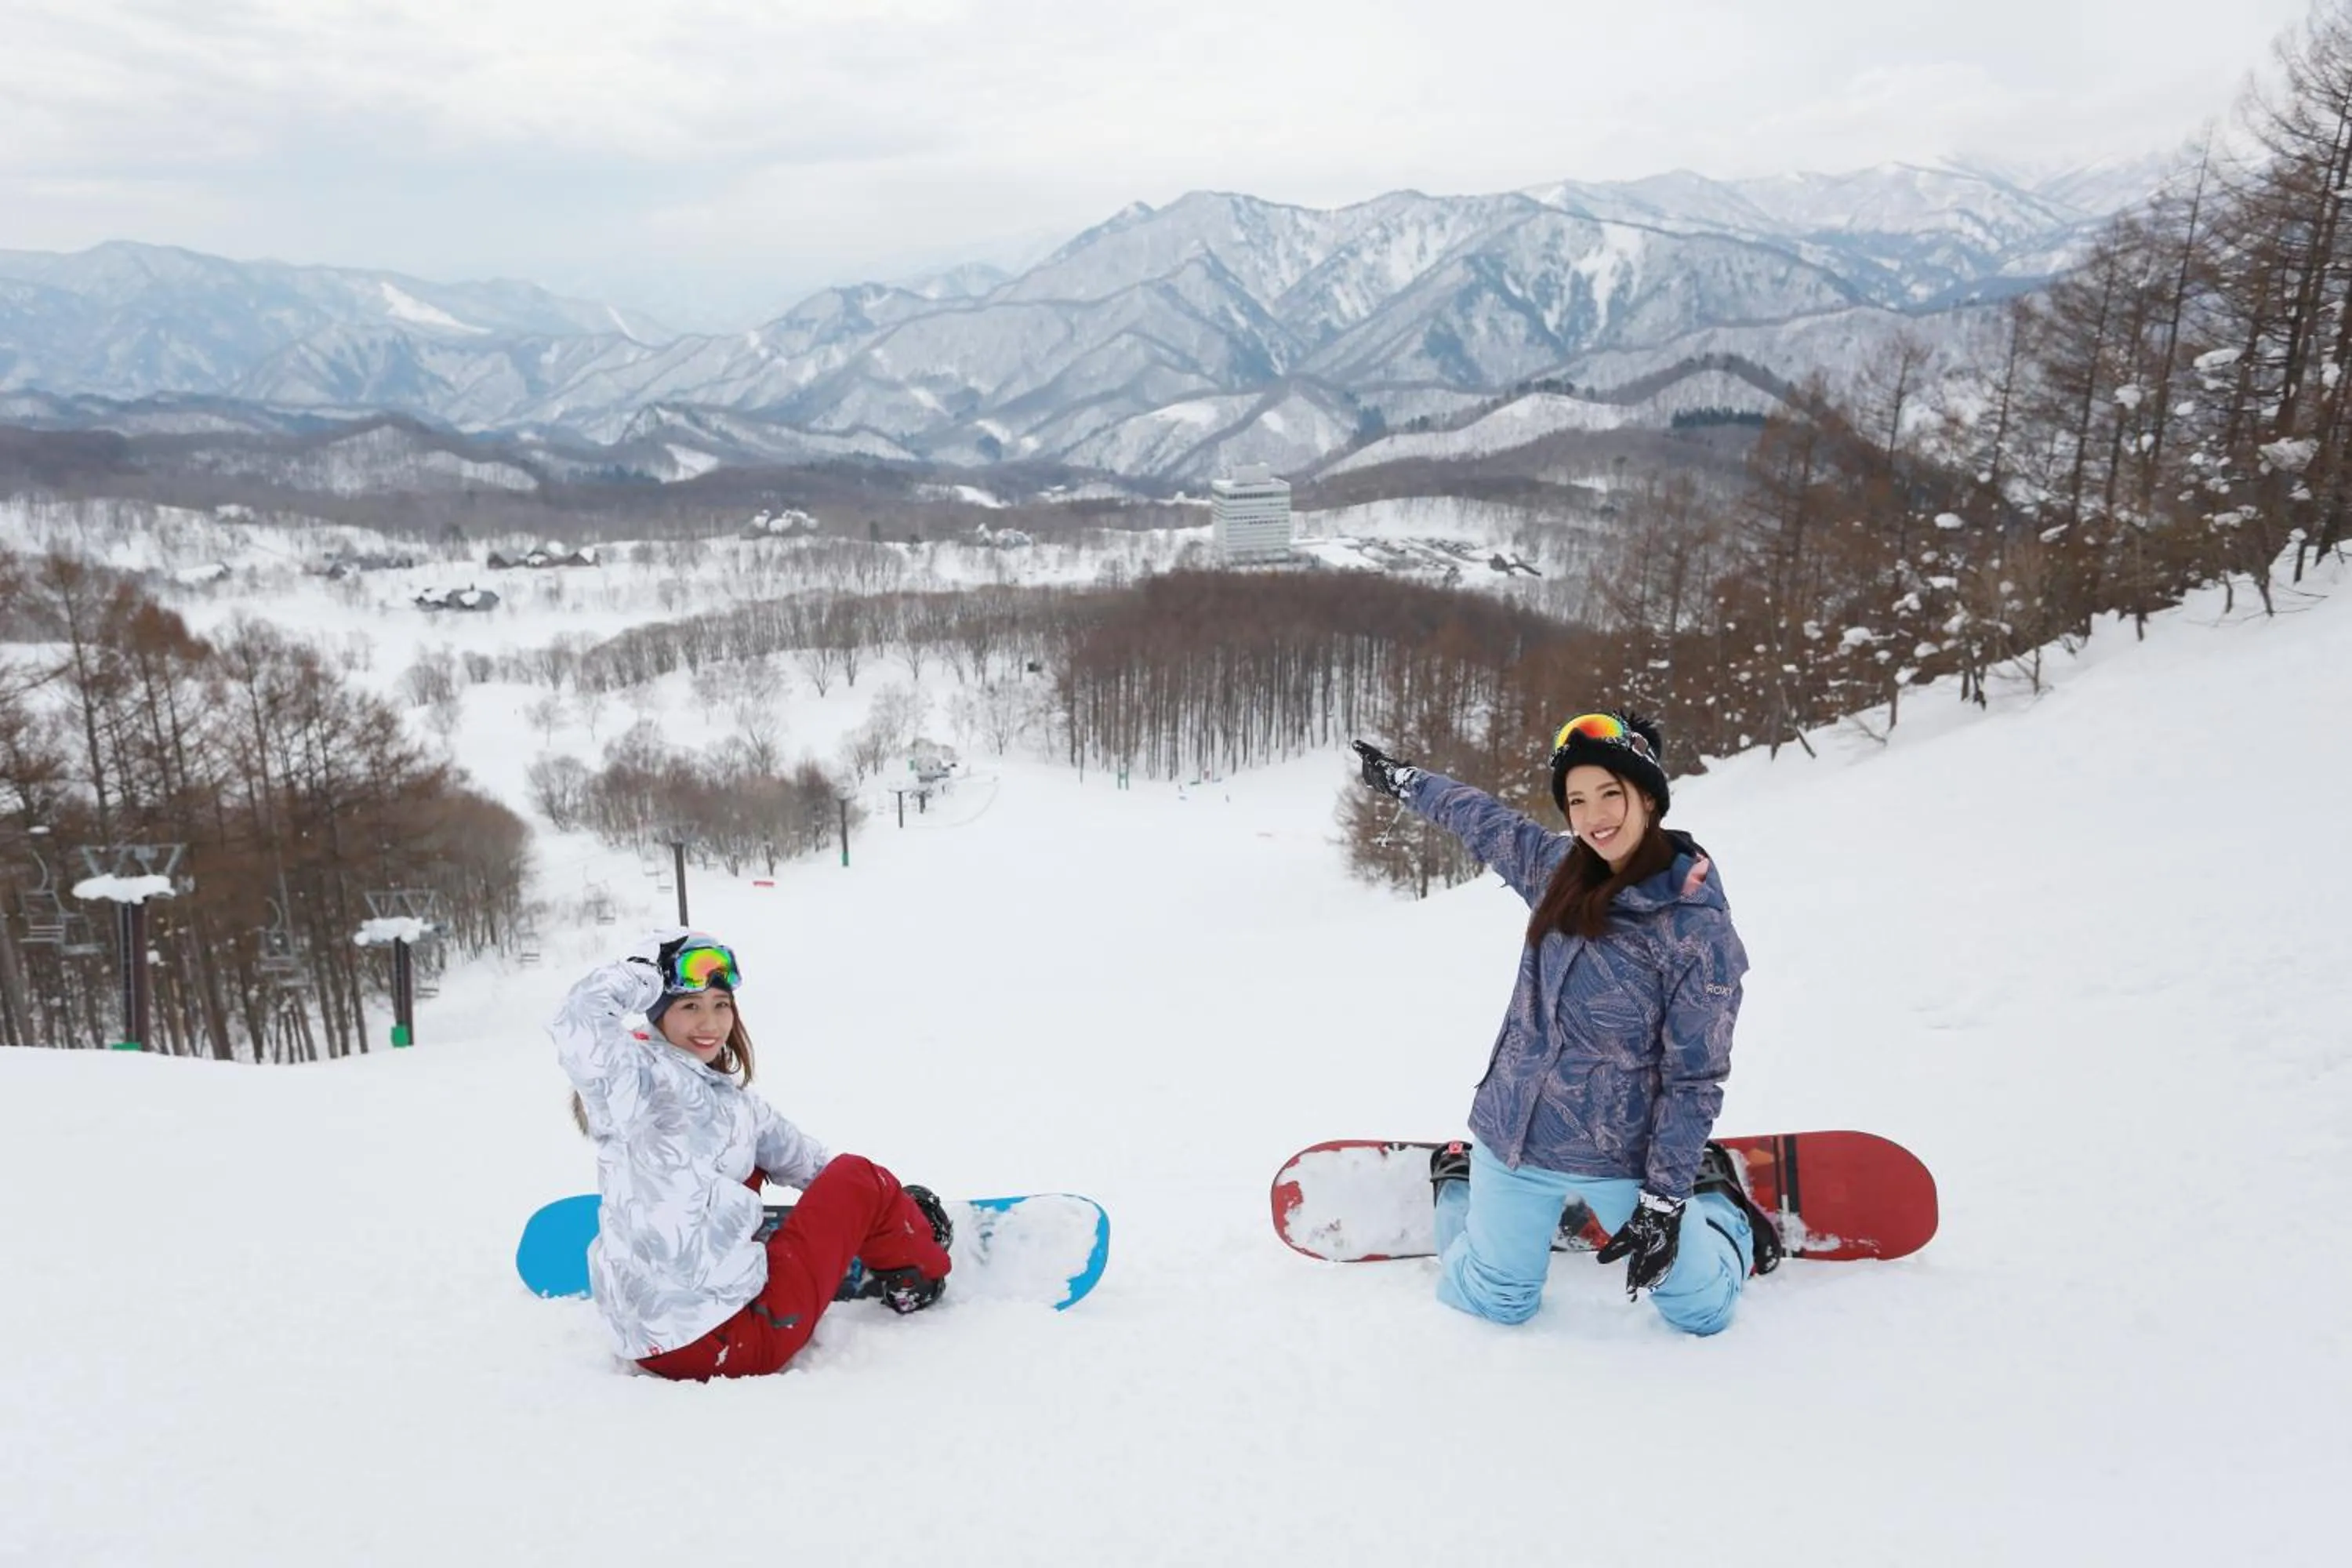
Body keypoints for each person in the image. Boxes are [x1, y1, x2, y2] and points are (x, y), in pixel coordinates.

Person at [1349, 712, 1781, 1337]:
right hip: (1516, 1133)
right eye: (1576, 800)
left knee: (1702, 1312)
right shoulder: (1557, 870)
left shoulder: (1696, 930)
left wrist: (1664, 1200)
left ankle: (1717, 1201)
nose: (1593, 815)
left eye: (1611, 793)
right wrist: (1407, 782)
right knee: (1498, 1303)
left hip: (1624, 1159)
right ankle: (1459, 1183)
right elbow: (1480, 817)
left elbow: (1695, 1077)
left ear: (1650, 798)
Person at [549, 927, 953, 1380]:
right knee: (859, 1176)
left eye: (721, 1006)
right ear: (656, 1012)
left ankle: (750, 1233)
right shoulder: (637, 1081)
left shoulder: (714, 1099)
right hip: (738, 1342)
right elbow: (578, 1018)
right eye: (689, 1007)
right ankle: (917, 1275)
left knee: (763, 1162)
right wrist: (645, 972)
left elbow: (807, 1163)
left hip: (647, 1345)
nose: (710, 1024)